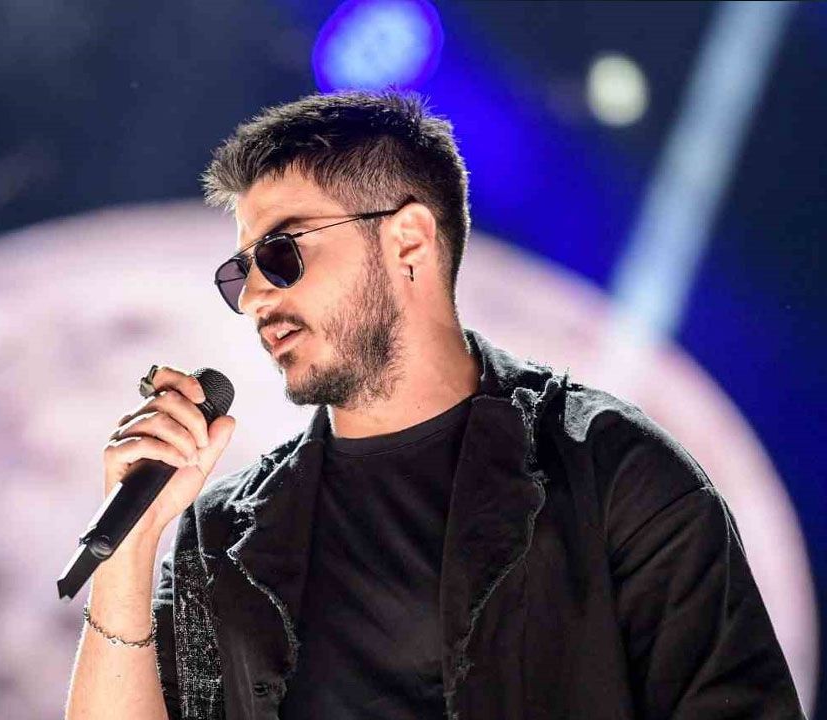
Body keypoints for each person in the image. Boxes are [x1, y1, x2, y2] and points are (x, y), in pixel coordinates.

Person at [64, 90, 803, 720]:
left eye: (281, 254)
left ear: (409, 241)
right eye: (238, 274)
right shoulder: (222, 533)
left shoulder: (613, 474)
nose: (255, 296)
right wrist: (127, 556)